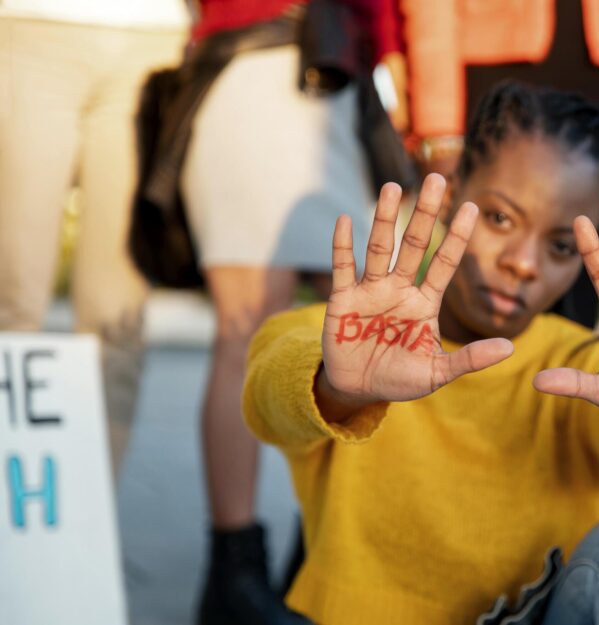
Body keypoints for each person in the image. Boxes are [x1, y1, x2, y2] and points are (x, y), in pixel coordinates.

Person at [243, 82, 599, 624]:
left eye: (561, 246)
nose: (523, 262)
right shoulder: (346, 341)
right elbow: (267, 399)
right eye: (499, 218)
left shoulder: (584, 368)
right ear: (450, 193)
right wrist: (336, 386)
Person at [181, 1, 403, 623]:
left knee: (367, 336)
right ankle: (233, 573)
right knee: (243, 327)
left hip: (344, 78)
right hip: (255, 59)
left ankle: (328, 551)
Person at [401, 0, 599, 326]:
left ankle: (563, 372)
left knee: (583, 263)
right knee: (474, 272)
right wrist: (439, 129)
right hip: (490, 57)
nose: (524, 265)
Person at [0, 1, 188, 472]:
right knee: (12, 301)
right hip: (31, 29)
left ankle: (89, 528)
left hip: (155, 39)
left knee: (117, 317)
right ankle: (12, 518)